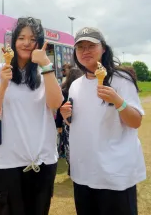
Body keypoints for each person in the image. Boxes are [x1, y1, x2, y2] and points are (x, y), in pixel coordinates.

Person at [0, 17, 63, 215]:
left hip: (40, 161)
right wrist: (3, 85)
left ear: (39, 43)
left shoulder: (44, 74)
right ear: (13, 42)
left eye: (32, 39)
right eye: (21, 38)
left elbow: (55, 104)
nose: (26, 43)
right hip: (5, 162)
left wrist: (47, 64)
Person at [60, 27, 146, 215]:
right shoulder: (75, 85)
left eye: (91, 45)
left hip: (115, 174)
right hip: (83, 171)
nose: (86, 51)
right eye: (80, 47)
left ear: (104, 49)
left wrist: (118, 101)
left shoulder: (121, 79)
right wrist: (66, 116)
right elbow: (80, 123)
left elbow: (136, 121)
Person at [55, 68, 83, 172]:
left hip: (66, 122)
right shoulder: (80, 90)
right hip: (78, 122)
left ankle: (72, 165)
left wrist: (58, 125)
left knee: (68, 145)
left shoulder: (63, 90)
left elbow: (59, 110)